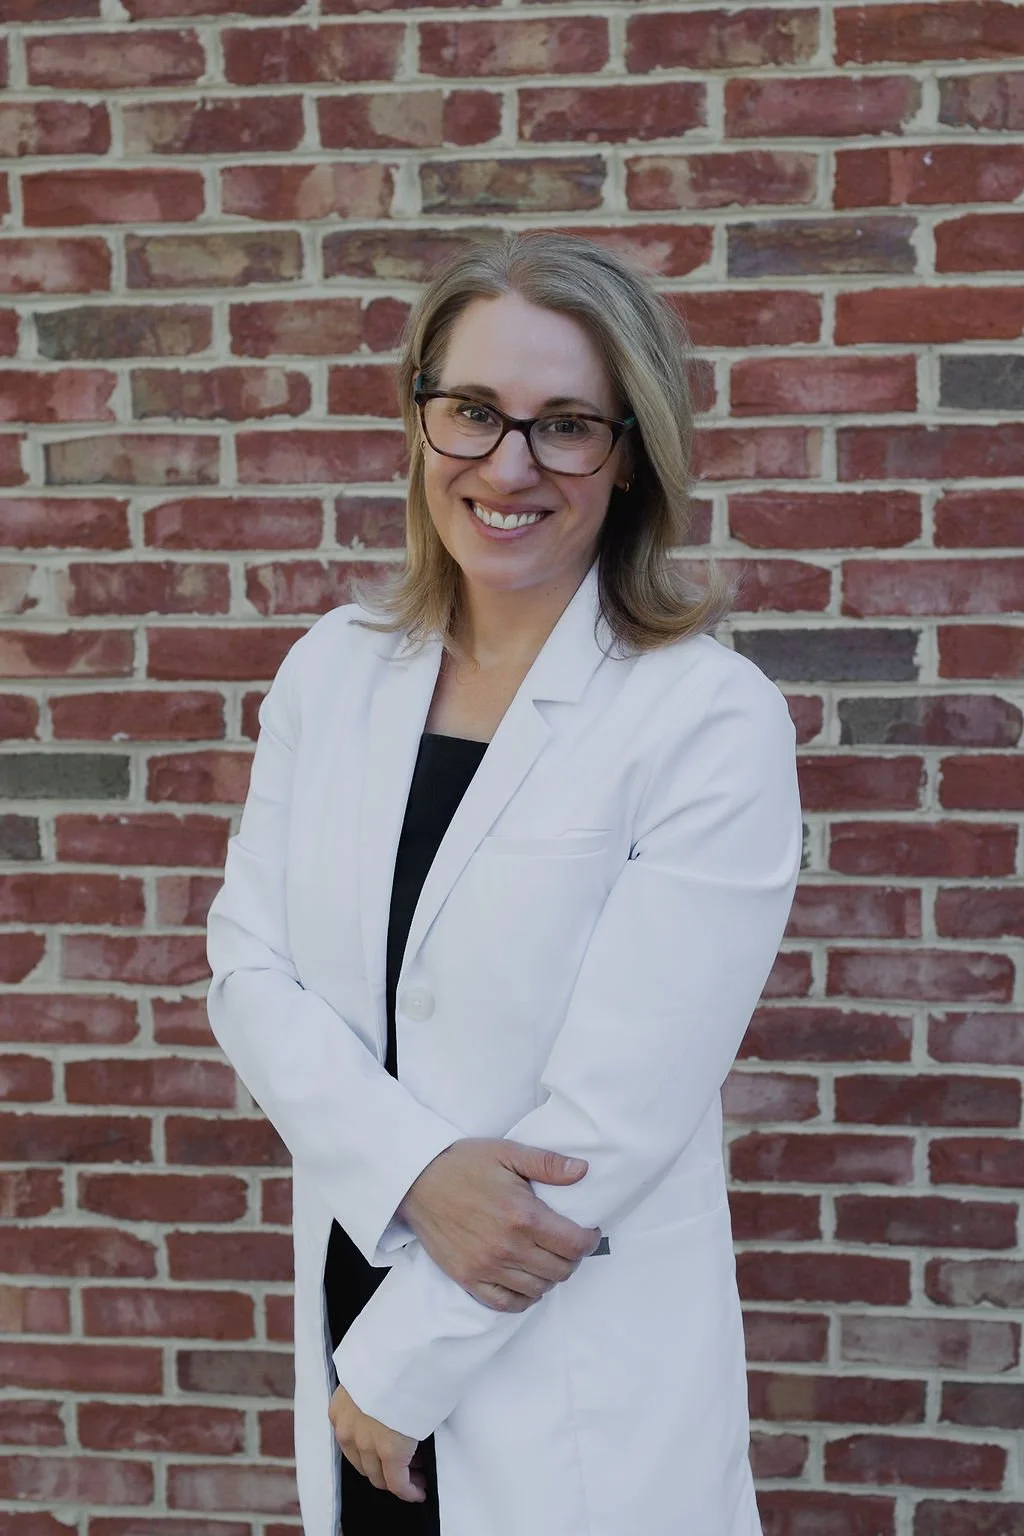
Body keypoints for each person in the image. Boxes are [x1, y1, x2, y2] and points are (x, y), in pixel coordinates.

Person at [205, 229, 802, 1536]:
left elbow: (607, 1128)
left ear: (631, 449)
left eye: (565, 424)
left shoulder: (707, 720)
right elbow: (249, 974)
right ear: (421, 422)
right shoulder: (333, 671)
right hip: (362, 1290)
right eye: (472, 412)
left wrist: (395, 1372)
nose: (508, 466)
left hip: (557, 1378)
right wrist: (415, 1170)